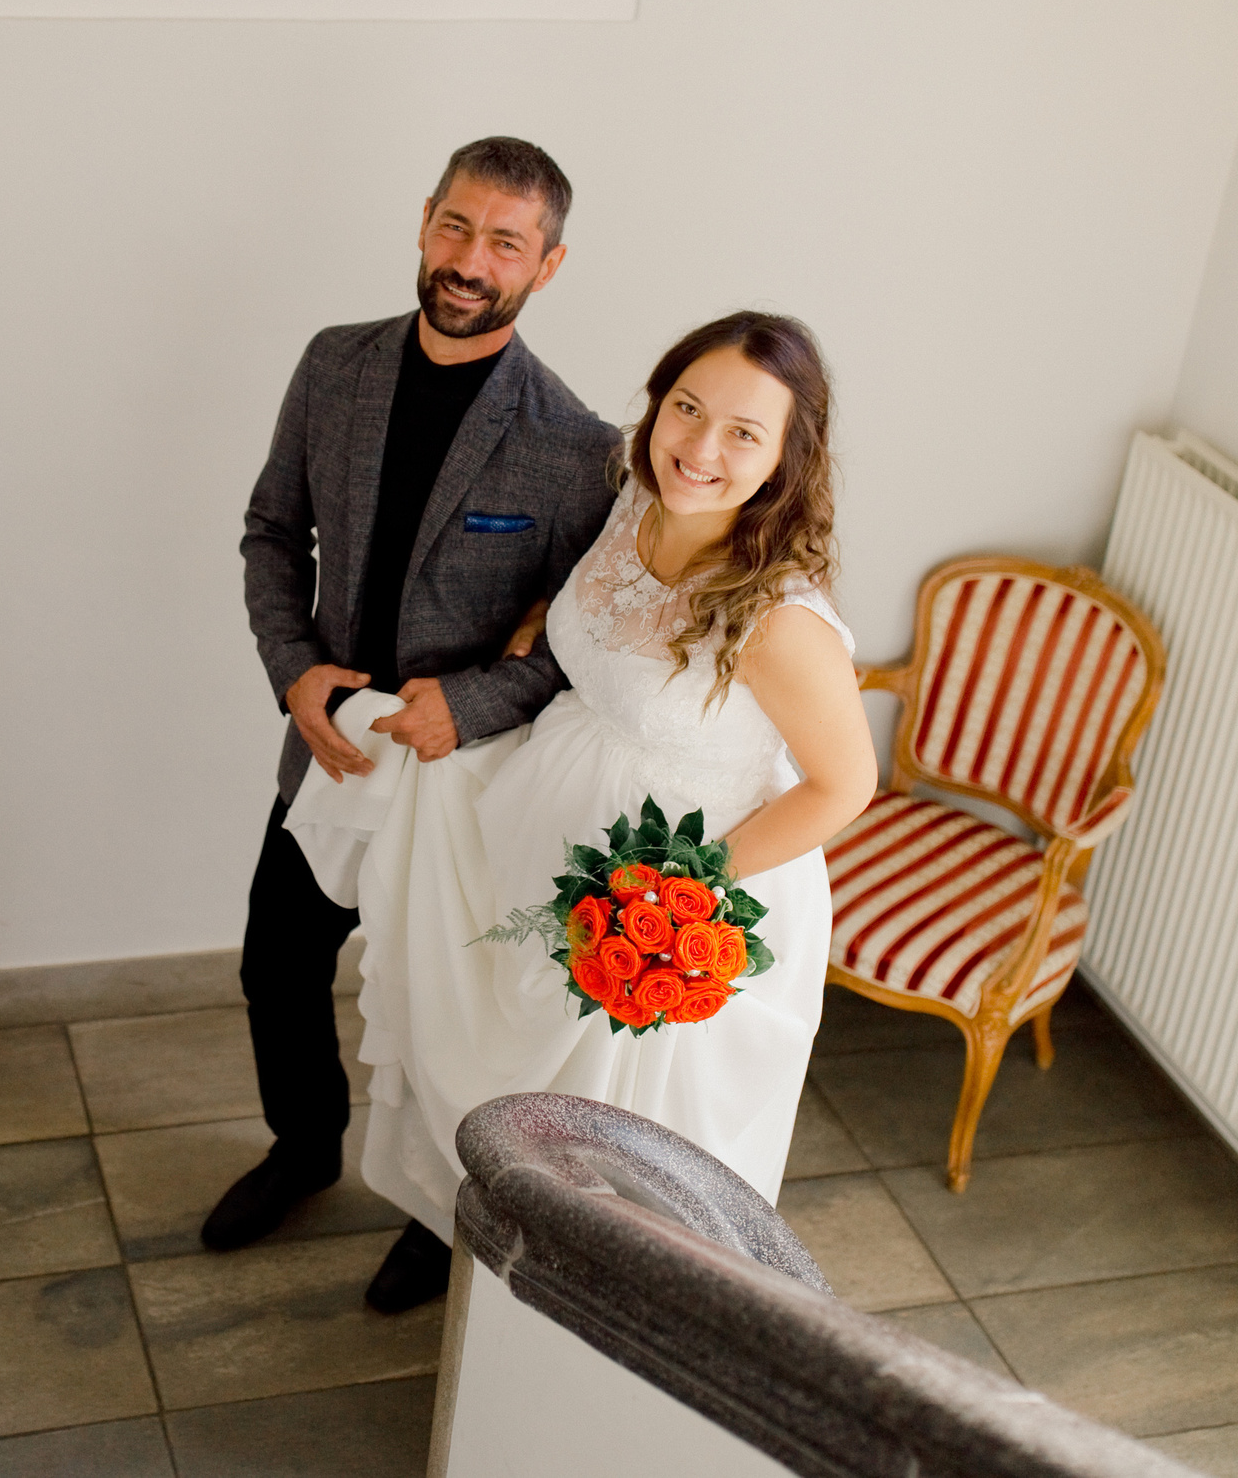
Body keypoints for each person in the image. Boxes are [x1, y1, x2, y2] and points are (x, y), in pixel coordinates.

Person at [284, 312, 878, 1311]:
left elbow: (842, 786)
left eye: (743, 432)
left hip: (668, 883)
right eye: (686, 409)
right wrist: (530, 631)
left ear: (785, 458)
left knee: (594, 1140)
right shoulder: (632, 499)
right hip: (541, 810)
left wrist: (682, 898)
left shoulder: (777, 616)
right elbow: (585, 617)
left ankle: (558, 1322)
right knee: (479, 1044)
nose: (698, 447)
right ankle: (449, 1218)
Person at [218, 139, 620, 1309]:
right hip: (330, 749)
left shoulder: (576, 445)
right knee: (274, 967)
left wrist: (475, 704)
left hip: (466, 788)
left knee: (443, 1022)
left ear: (546, 266)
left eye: (505, 242)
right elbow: (267, 531)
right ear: (423, 222)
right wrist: (293, 672)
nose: (469, 260)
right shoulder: (332, 364)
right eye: (456, 226)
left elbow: (578, 643)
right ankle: (303, 1153)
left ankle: (436, 1215)